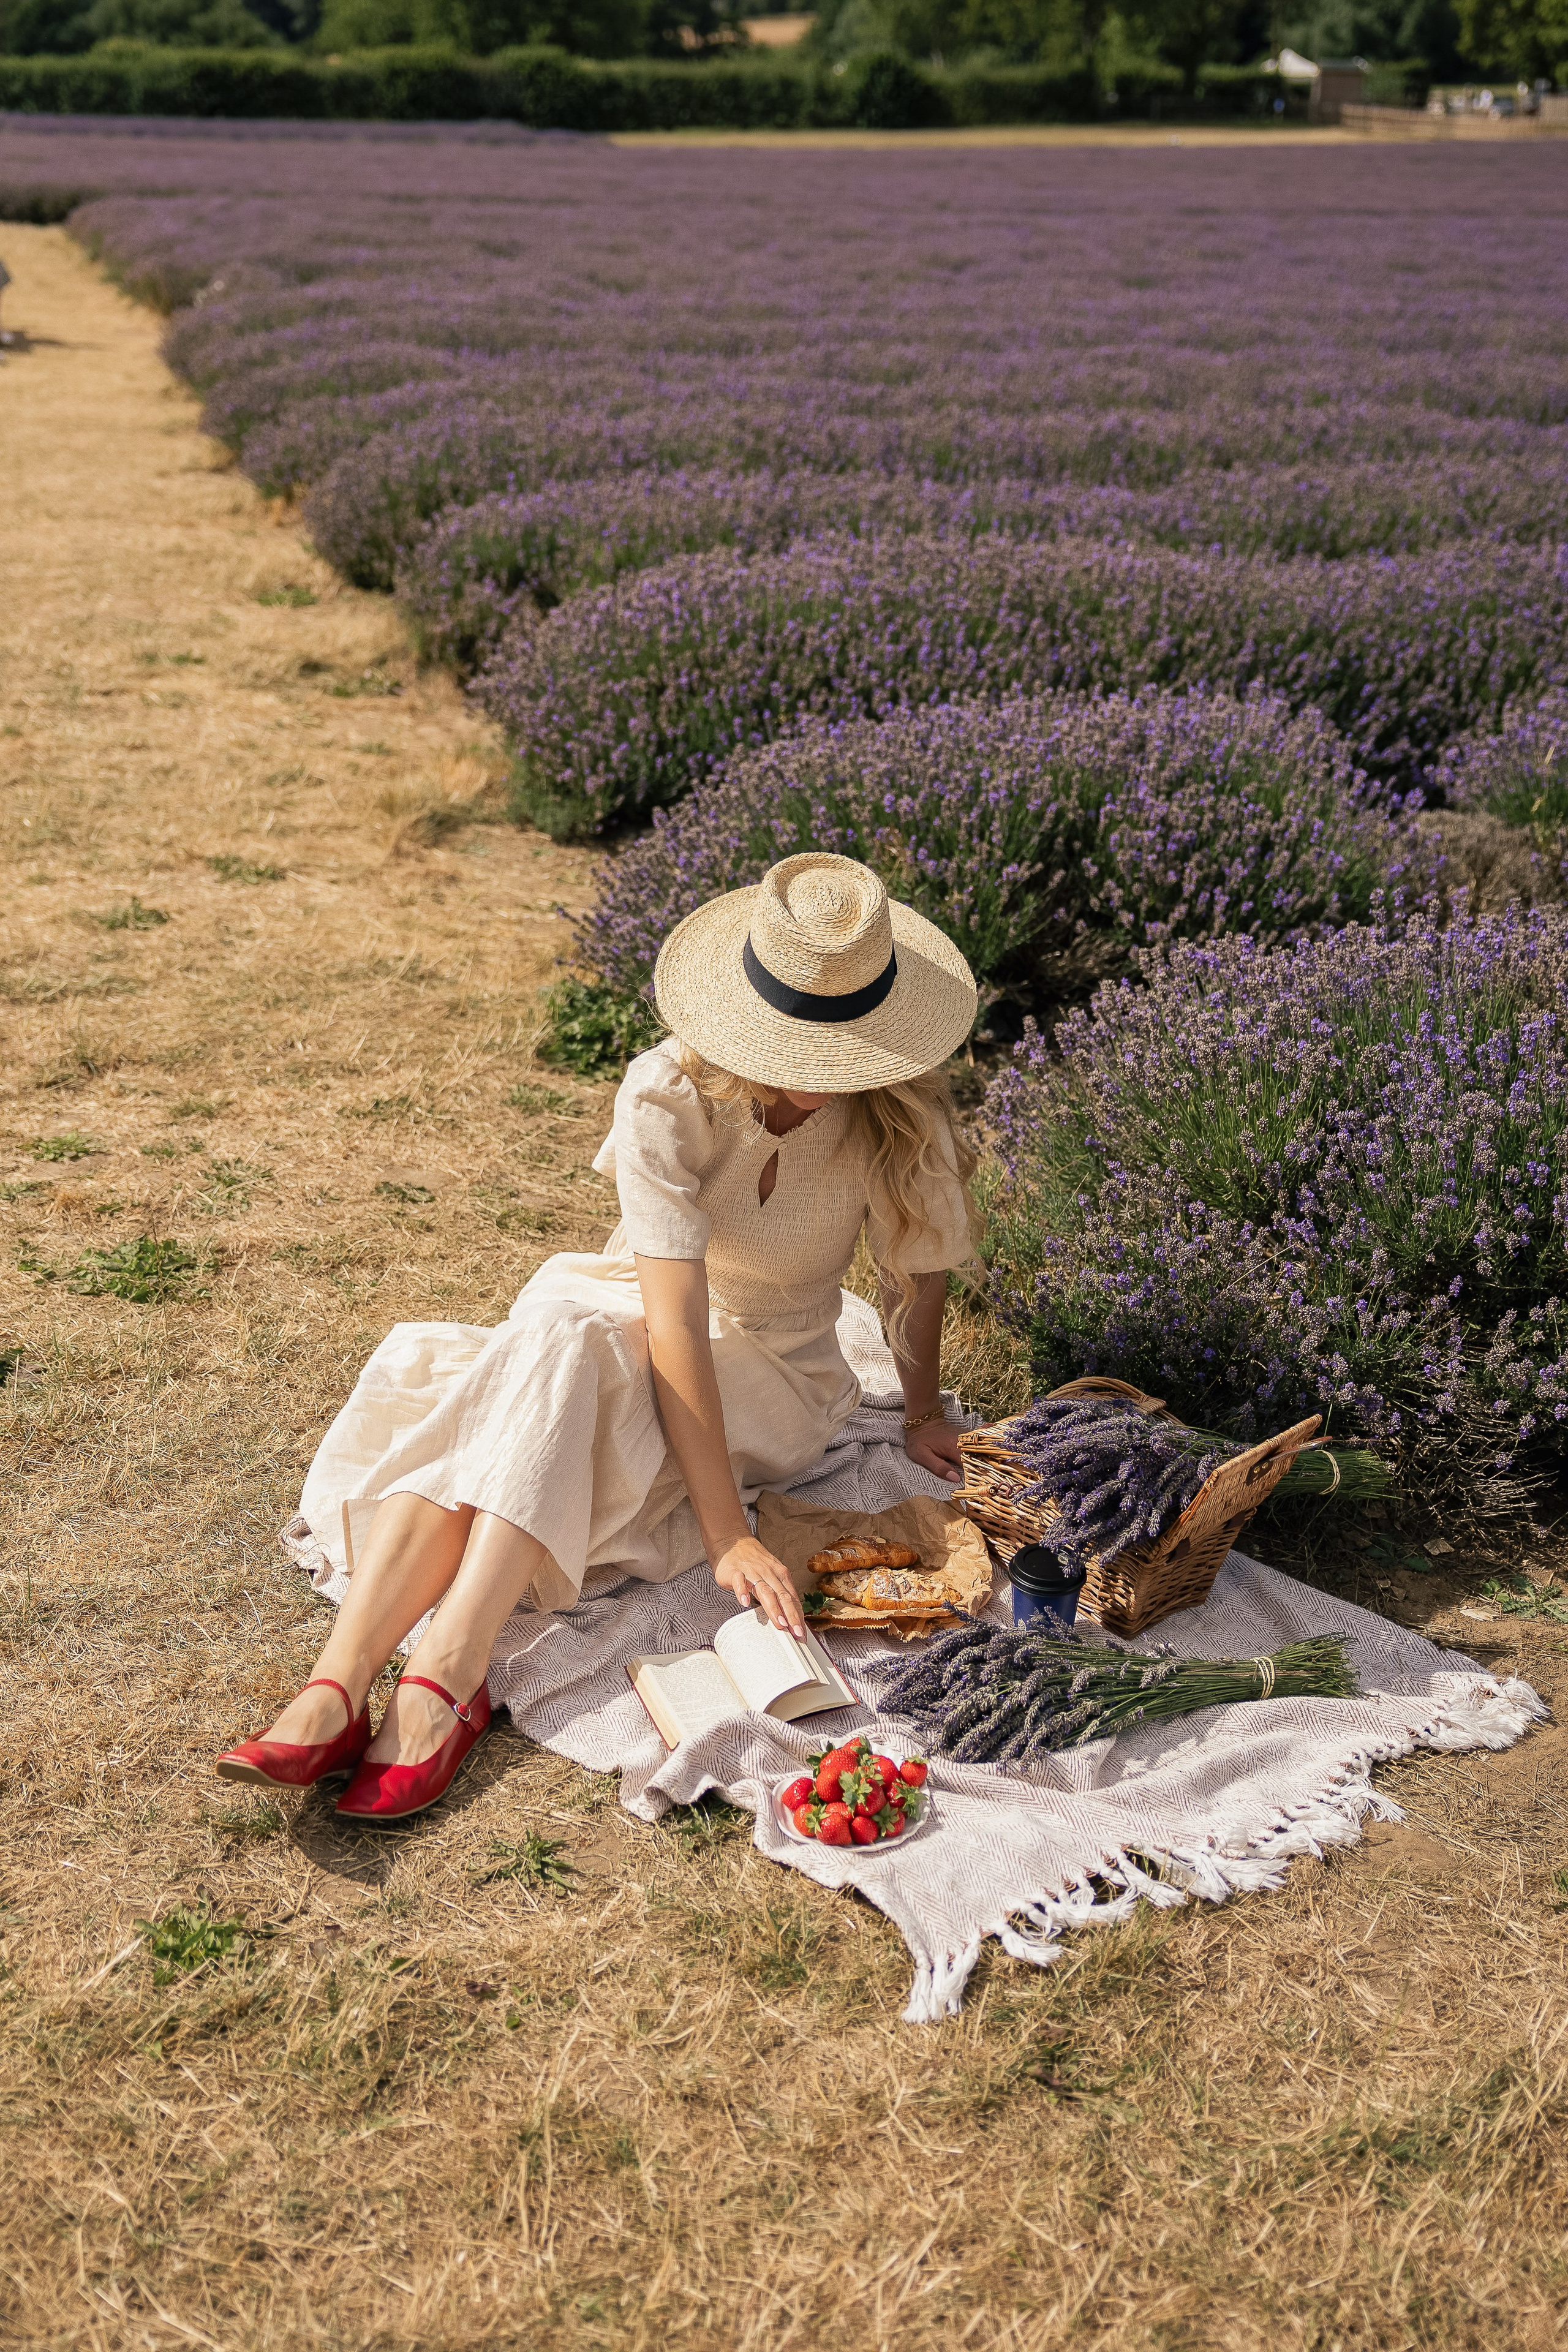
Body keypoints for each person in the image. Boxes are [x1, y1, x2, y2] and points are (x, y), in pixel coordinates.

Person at [217, 853, 979, 1823]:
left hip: (776, 1369)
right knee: (559, 1339)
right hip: (635, 1313)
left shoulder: (897, 1115)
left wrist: (918, 1414)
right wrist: (725, 1532)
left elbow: (919, 1278)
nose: (820, 1077)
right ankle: (352, 1684)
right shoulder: (668, 1092)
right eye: (799, 1046)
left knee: (528, 1373)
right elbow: (668, 1319)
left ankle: (430, 1673)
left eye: (845, 1049)